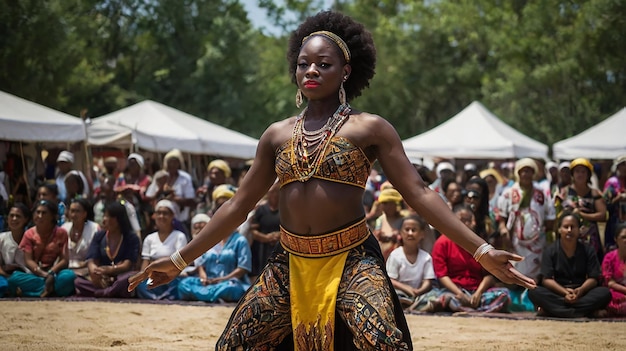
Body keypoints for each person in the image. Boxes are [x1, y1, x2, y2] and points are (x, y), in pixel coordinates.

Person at [129, 11, 535, 350]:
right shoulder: (276, 134)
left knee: (383, 343)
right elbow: (238, 205)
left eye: (324, 64)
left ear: (345, 71)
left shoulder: (370, 129)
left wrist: (481, 251)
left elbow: (421, 193)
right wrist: (181, 260)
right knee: (234, 343)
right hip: (289, 262)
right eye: (304, 63)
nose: (311, 70)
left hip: (353, 259)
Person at [528, 211, 611, 318]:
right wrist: (564, 293)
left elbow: (593, 278)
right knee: (533, 291)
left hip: (581, 293)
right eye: (566, 227)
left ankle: (555, 311)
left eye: (573, 227)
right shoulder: (550, 250)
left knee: (605, 293)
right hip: (558, 293)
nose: (569, 230)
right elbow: (546, 279)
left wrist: (580, 291)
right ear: (559, 229)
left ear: (579, 230)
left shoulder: (588, 250)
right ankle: (583, 312)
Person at [431, 205, 511, 313]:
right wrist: (460, 294)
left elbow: (489, 275)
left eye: (471, 220)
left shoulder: (478, 243)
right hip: (454, 292)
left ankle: (468, 309)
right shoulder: (442, 243)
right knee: (444, 298)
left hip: (476, 291)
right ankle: (473, 309)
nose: (471, 224)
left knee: (504, 294)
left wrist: (478, 293)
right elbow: (442, 276)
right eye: (465, 220)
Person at [178, 187, 252, 303]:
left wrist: (221, 279)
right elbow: (201, 264)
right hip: (208, 283)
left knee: (231, 288)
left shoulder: (240, 240)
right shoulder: (210, 238)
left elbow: (242, 269)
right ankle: (214, 296)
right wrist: (203, 277)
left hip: (228, 282)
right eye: (219, 207)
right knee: (184, 284)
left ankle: (208, 296)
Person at [496, 158, 556, 280]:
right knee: (515, 270)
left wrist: (544, 231)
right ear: (517, 173)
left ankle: (531, 295)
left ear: (533, 173)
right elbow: (502, 216)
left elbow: (550, 214)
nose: (525, 174)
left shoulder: (542, 192)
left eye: (528, 171)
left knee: (535, 271)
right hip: (514, 240)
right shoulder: (509, 192)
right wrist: (503, 230)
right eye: (522, 171)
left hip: (536, 241)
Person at [8, 200, 75, 297]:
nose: (40, 216)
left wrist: (51, 273)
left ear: (52, 216)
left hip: (56, 274)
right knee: (14, 279)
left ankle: (32, 293)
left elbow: (64, 260)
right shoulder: (29, 234)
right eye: (37, 212)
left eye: (44, 213)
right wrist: (45, 275)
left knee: (69, 277)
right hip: (36, 274)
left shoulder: (61, 233)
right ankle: (50, 290)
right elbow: (28, 260)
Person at [74, 201, 140, 298]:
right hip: (102, 277)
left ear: (118, 219)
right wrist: (95, 272)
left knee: (128, 279)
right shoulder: (99, 236)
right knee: (78, 282)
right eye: (104, 216)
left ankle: (103, 293)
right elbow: (92, 261)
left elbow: (127, 265)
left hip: (120, 276)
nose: (104, 220)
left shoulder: (131, 238)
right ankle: (110, 292)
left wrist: (111, 270)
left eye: (108, 217)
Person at [135, 199, 187, 300]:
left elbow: (180, 263)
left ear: (172, 216)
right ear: (154, 216)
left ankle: (160, 298)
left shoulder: (179, 236)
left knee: (181, 284)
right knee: (140, 284)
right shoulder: (149, 238)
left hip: (172, 277)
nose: (161, 216)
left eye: (165, 213)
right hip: (153, 276)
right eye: (159, 213)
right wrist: (142, 276)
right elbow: (145, 262)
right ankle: (159, 299)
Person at [558, 158, 607, 261]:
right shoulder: (564, 192)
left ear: (588, 174)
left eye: (583, 172)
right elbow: (558, 214)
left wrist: (582, 214)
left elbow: (603, 215)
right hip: (569, 235)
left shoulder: (594, 193)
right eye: (577, 171)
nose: (580, 174)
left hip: (590, 237)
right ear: (572, 174)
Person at [386, 215, 438, 311]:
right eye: (407, 230)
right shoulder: (395, 255)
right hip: (400, 292)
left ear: (422, 234)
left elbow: (428, 281)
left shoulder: (426, 257)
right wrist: (406, 289)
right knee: (392, 296)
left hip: (419, 293)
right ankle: (413, 306)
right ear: (401, 233)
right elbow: (391, 280)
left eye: (414, 230)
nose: (410, 233)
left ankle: (413, 305)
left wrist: (418, 291)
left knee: (436, 296)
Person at [249, 181, 280, 281]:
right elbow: (253, 231)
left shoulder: (286, 209)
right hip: (262, 249)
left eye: (277, 191)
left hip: (280, 247)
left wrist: (279, 235)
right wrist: (265, 238)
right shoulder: (261, 210)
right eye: (272, 192)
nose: (274, 194)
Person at [61, 198, 99, 277]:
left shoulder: (94, 229)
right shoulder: (64, 228)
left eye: (77, 211)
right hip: (66, 269)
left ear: (85, 214)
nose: (74, 215)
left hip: (87, 269)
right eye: (72, 211)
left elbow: (97, 254)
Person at [0, 203, 30, 297]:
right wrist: (8, 277)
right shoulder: (1, 238)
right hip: (5, 276)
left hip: (25, 277)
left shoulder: (31, 238)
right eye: (11, 215)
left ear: (26, 219)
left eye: (18, 216)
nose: (14, 219)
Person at [601, 223, 626, 316]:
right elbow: (610, 283)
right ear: (616, 239)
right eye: (623, 237)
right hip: (616, 292)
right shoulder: (609, 257)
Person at [603, 155, 626, 252]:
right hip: (615, 221)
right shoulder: (612, 183)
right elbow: (605, 204)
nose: (625, 167)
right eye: (623, 165)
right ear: (618, 167)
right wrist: (618, 198)